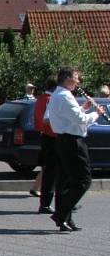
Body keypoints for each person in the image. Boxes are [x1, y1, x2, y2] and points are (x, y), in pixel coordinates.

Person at [46, 67, 105, 231]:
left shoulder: (57, 95)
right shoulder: (65, 96)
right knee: (83, 180)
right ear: (67, 79)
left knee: (66, 181)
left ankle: (64, 219)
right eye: (76, 78)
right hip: (72, 142)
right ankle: (61, 213)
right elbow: (80, 120)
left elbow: (68, 117)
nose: (78, 81)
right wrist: (96, 114)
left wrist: (84, 108)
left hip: (63, 140)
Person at [34, 76, 61, 214]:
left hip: (45, 136)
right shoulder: (51, 100)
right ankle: (47, 203)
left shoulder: (41, 98)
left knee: (50, 172)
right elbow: (47, 120)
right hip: (52, 137)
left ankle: (48, 203)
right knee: (52, 173)